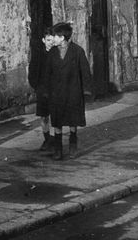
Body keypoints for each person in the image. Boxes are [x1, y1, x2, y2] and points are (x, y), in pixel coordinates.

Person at [44, 21, 92, 160]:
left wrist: (86, 90)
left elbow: (85, 71)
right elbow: (47, 72)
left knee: (72, 121)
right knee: (57, 121)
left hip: (73, 91)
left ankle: (72, 143)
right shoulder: (52, 52)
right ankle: (58, 150)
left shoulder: (77, 51)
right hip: (56, 93)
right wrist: (46, 90)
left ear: (62, 37)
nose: (53, 38)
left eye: (56, 36)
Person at [28, 26, 55, 153]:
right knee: (44, 117)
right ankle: (47, 138)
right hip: (42, 89)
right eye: (48, 40)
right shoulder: (39, 55)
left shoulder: (58, 53)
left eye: (53, 40)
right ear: (43, 40)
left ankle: (57, 138)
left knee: (57, 116)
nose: (51, 43)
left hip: (56, 89)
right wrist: (37, 87)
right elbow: (32, 71)